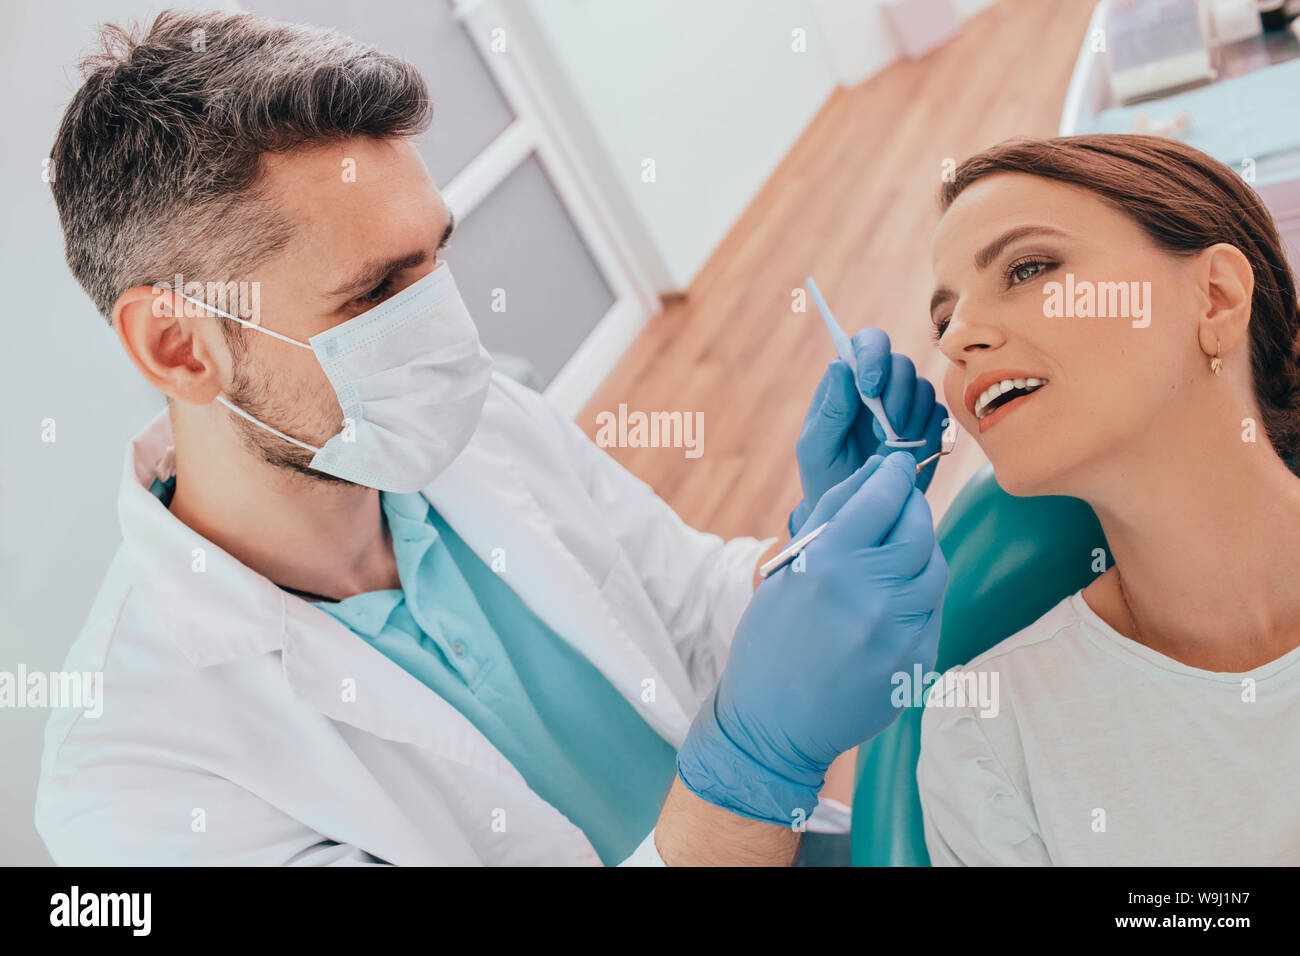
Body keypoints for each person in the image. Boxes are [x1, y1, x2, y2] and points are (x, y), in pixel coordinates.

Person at [35, 10, 948, 866]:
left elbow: (688, 613)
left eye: (436, 257)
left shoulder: (469, 427)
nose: (446, 330)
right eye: (375, 293)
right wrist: (750, 771)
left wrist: (815, 552)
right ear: (178, 346)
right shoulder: (131, 779)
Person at [917, 134, 1300, 865]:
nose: (957, 338)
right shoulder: (989, 734)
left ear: (1215, 297)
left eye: (1029, 267)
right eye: (943, 321)